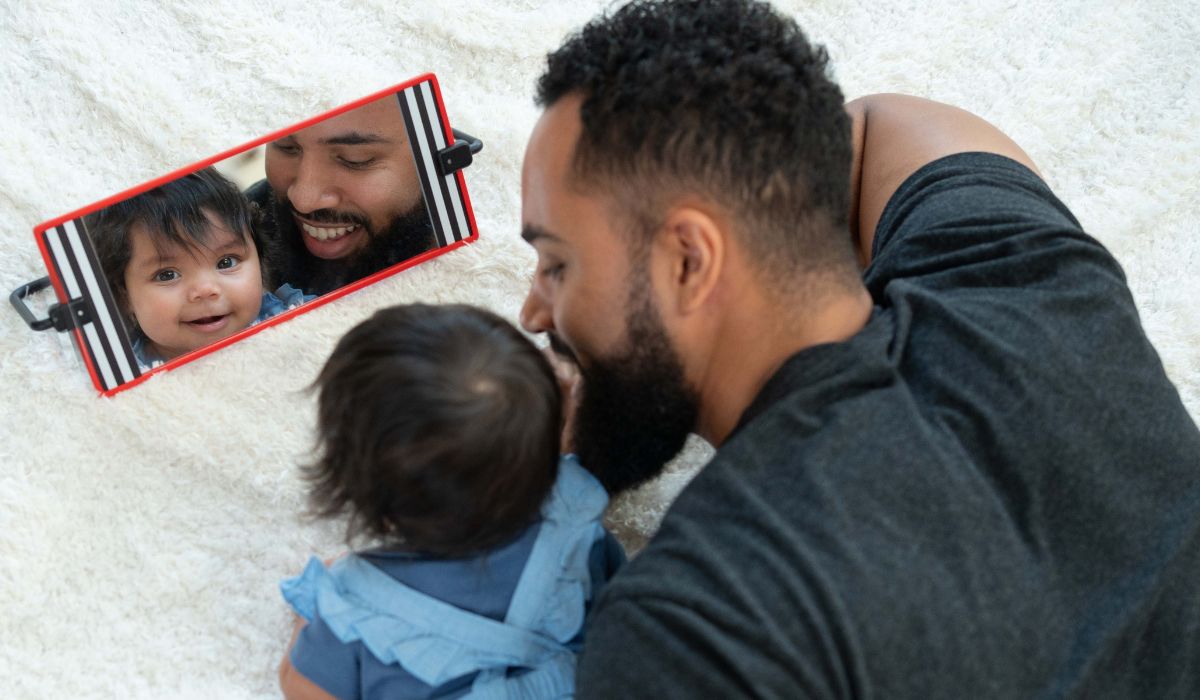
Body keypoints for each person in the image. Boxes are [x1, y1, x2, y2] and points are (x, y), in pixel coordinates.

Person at [517, 0, 1200, 697]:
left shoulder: (696, 628)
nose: (532, 309)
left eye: (557, 265)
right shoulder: (1027, 279)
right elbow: (878, 124)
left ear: (690, 261)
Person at [277, 304, 625, 700]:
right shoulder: (576, 526)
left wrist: (309, 616)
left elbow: (302, 688)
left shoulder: (353, 604)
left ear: (359, 489)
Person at [88, 167, 310, 369]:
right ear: (124, 295)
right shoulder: (127, 372)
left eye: (226, 262)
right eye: (167, 275)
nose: (205, 289)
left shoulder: (298, 317)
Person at [249, 94, 437, 297]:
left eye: (355, 160)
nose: (303, 200)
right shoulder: (235, 230)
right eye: (287, 147)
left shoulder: (469, 262)